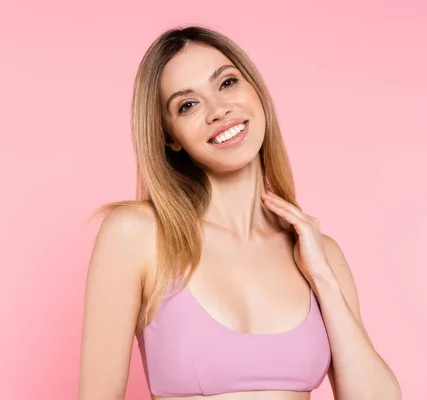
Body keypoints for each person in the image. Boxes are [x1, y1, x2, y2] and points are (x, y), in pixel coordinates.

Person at [78, 26, 401, 400]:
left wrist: (323, 279)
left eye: (227, 83)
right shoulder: (137, 235)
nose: (219, 110)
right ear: (170, 137)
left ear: (255, 91)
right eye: (188, 105)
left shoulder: (320, 254)